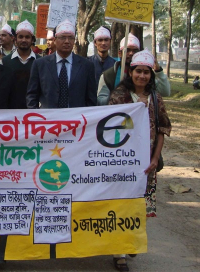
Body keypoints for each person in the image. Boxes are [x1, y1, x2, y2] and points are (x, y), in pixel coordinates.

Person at [108, 50, 171, 272]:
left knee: (139, 206)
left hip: (146, 165)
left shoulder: (156, 98)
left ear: (151, 76)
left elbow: (163, 128)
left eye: (146, 72)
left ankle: (131, 240)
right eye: (138, 71)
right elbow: (108, 127)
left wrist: (155, 158)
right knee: (121, 205)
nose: (142, 76)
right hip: (121, 163)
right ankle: (120, 254)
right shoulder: (119, 96)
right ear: (130, 72)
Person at [27, 19, 97, 108]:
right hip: (48, 119)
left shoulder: (87, 66)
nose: (67, 41)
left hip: (76, 119)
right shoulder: (40, 64)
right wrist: (37, 118)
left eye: (70, 38)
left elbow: (91, 99)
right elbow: (32, 96)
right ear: (55, 40)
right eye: (63, 37)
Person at [97, 33, 170, 105]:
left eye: (135, 51)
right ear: (120, 53)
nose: (131, 53)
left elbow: (165, 92)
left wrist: (158, 71)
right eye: (127, 50)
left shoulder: (144, 75)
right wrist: (118, 96)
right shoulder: (109, 75)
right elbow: (100, 101)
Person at [2, 20, 40, 108]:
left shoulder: (40, 62)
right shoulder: (4, 61)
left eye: (27, 37)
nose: (24, 40)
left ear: (32, 40)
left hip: (34, 112)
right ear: (15, 39)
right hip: (10, 112)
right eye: (20, 37)